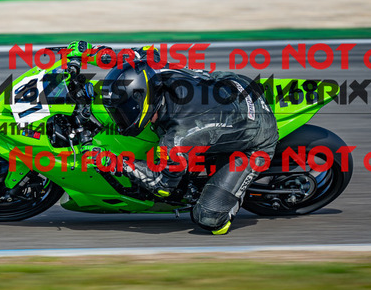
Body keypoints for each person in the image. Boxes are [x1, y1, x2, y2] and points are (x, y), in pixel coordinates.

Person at [99, 54, 279, 235]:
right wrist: (90, 52)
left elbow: (163, 185)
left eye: (123, 110)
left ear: (141, 100)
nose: (119, 116)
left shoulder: (180, 137)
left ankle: (232, 199)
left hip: (258, 136)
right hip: (236, 84)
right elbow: (134, 58)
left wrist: (115, 162)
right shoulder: (154, 71)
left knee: (209, 219)